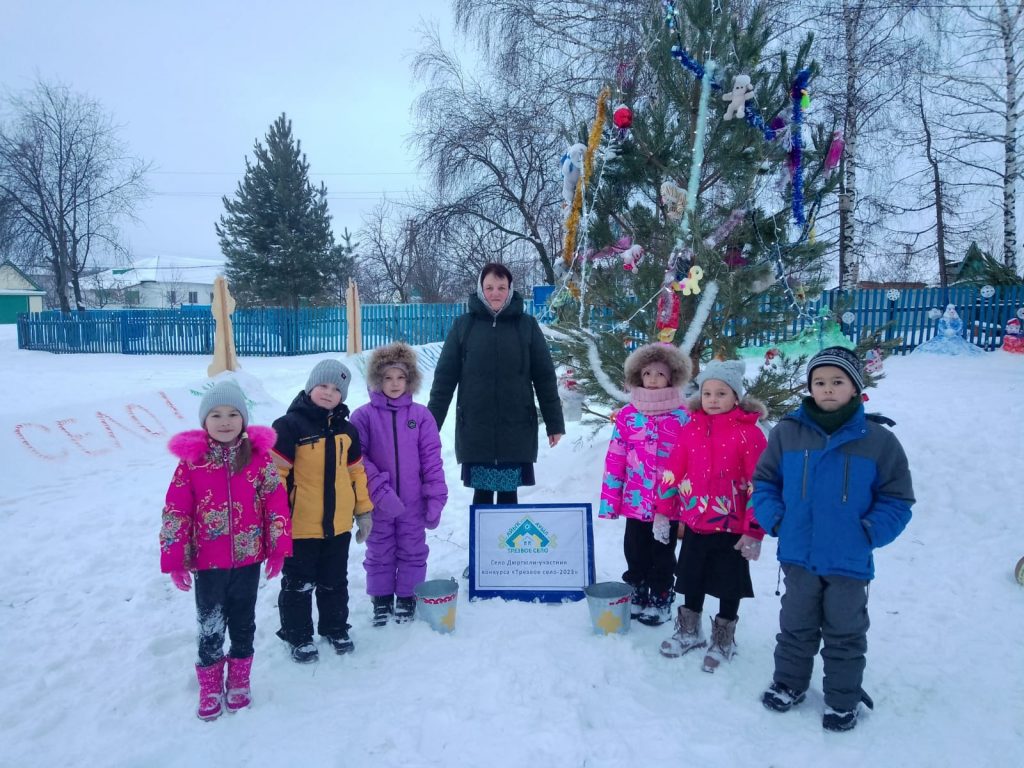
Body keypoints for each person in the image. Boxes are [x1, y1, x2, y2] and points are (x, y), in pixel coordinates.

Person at [752, 347, 915, 732]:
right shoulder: (787, 433)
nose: (827, 389)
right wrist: (777, 519)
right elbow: (765, 482)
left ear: (855, 388)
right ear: (810, 387)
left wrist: (869, 531)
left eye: (837, 381)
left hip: (848, 560)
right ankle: (789, 684)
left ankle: (843, 700)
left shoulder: (878, 440)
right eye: (820, 382)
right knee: (796, 625)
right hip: (798, 554)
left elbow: (897, 497)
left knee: (845, 632)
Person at [160, 379, 292, 720]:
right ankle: (209, 686)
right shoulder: (192, 462)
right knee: (210, 626)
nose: (225, 421)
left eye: (233, 414)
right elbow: (176, 510)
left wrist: (278, 549)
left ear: (243, 419)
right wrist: (175, 559)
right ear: (204, 420)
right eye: (216, 415)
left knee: (243, 623)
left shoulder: (259, 459)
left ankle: (239, 680)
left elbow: (276, 504)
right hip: (208, 563)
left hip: (248, 560)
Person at [427, 263, 565, 559]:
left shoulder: (526, 326)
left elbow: (544, 376)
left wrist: (554, 422)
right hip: (476, 426)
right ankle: (481, 560)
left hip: (516, 426)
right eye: (489, 287)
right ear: (481, 289)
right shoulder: (464, 326)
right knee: (481, 495)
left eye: (501, 287)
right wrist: (430, 425)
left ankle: (507, 560)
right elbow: (444, 378)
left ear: (510, 289)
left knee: (508, 494)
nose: (495, 293)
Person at [655, 359, 767, 671]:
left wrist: (754, 529)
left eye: (721, 393)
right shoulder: (690, 429)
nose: (713, 400)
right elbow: (672, 472)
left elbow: (760, 484)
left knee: (729, 584)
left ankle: (724, 638)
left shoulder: (749, 434)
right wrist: (663, 512)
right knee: (691, 578)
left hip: (732, 528)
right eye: (707, 393)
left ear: (736, 397)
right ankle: (690, 631)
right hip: (695, 524)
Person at [271, 359, 373, 663]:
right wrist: (277, 519)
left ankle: (335, 627)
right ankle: (297, 635)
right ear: (310, 387)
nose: (329, 393)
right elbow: (276, 476)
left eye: (336, 389)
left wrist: (363, 512)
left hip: (338, 525)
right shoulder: (288, 426)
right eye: (323, 386)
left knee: (335, 581)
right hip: (300, 526)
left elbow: (356, 474)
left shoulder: (348, 431)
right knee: (298, 584)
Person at [351, 342, 448, 626]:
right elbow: (357, 459)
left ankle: (407, 596)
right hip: (377, 502)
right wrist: (380, 492)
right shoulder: (363, 417)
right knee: (379, 550)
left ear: (410, 380)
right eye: (387, 377)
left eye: (401, 377)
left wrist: (435, 498)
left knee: (413, 549)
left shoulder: (421, 416)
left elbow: (432, 461)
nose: (394, 383)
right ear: (377, 379)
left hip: (412, 503)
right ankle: (381, 599)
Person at [599, 343, 691, 626]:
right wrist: (610, 500)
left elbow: (691, 461)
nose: (652, 379)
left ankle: (661, 595)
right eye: (647, 373)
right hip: (635, 501)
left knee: (662, 553)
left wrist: (689, 504)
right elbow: (616, 457)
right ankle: (637, 590)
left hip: (668, 503)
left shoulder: (683, 416)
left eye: (660, 374)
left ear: (672, 378)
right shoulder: (628, 415)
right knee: (635, 548)